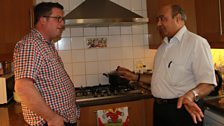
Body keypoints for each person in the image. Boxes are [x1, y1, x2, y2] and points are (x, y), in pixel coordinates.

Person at [117, 4, 217, 126]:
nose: (158, 24)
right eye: (158, 20)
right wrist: (134, 76)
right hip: (160, 109)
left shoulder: (196, 43)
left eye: (163, 19)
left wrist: (191, 95)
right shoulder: (162, 47)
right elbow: (159, 78)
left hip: (182, 110)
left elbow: (208, 83)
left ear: (178, 18)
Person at [13, 2, 77, 126]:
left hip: (60, 120)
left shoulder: (45, 44)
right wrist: (52, 118)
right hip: (50, 122)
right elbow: (23, 87)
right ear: (43, 20)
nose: (62, 24)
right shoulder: (31, 44)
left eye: (62, 19)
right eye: (58, 18)